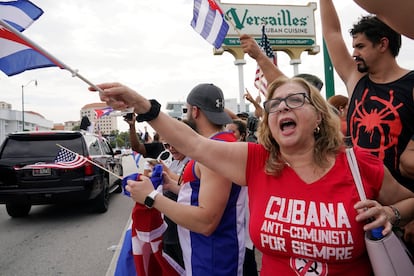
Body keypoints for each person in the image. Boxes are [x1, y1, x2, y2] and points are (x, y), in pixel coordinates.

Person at [92, 77, 414, 275]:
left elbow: (409, 200)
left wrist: (392, 212)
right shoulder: (257, 161)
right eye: (274, 105)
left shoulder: (359, 166)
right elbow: (192, 143)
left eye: (295, 101)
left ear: (318, 115)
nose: (282, 109)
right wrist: (144, 107)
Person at [112, 83, 247, 275]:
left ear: (195, 111)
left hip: (212, 258)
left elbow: (206, 222)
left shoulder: (216, 151)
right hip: (207, 253)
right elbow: (201, 189)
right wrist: (171, 183)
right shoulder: (218, 144)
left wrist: (151, 197)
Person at [320, 0, 414, 245]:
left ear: (383, 44)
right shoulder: (356, 79)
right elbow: (331, 33)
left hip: (401, 208)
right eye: (353, 46)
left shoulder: (411, 85)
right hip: (357, 202)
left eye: (360, 46)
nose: (353, 53)